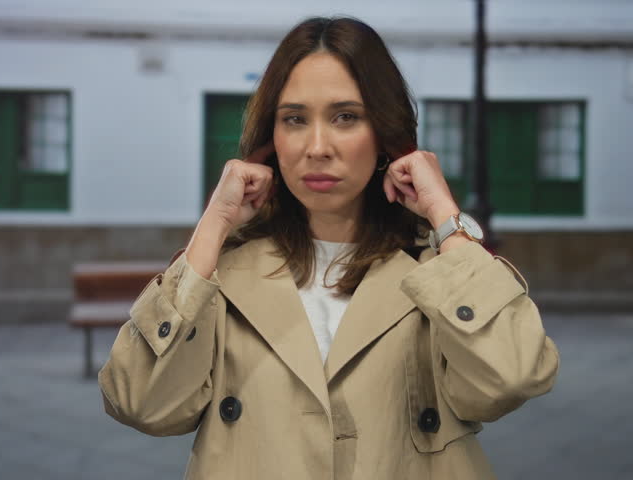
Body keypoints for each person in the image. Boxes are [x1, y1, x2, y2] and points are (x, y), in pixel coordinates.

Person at [99, 16, 559, 479]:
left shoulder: (437, 273)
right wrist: (211, 228)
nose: (317, 147)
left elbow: (514, 375)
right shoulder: (221, 279)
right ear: (271, 140)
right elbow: (140, 403)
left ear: (383, 132)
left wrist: (445, 216)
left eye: (346, 117)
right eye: (295, 119)